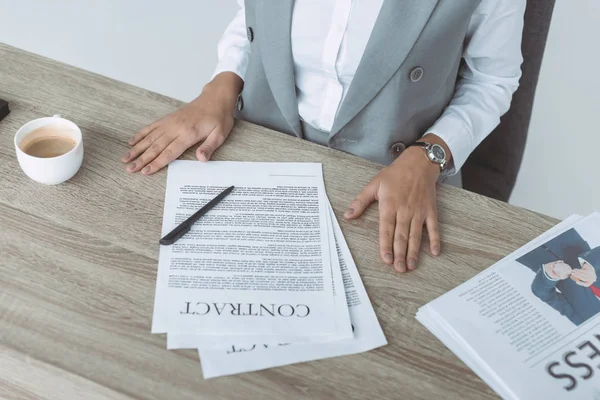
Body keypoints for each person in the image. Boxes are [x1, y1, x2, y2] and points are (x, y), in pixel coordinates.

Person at [121, 1, 526, 273]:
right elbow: (254, 15)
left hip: (394, 176)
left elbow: (493, 79)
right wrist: (219, 89)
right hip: (261, 144)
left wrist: (429, 156)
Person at [517, 229, 600, 326]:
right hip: (562, 236)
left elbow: (546, 295)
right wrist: (590, 265)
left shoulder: (587, 321)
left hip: (533, 255)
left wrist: (549, 275)